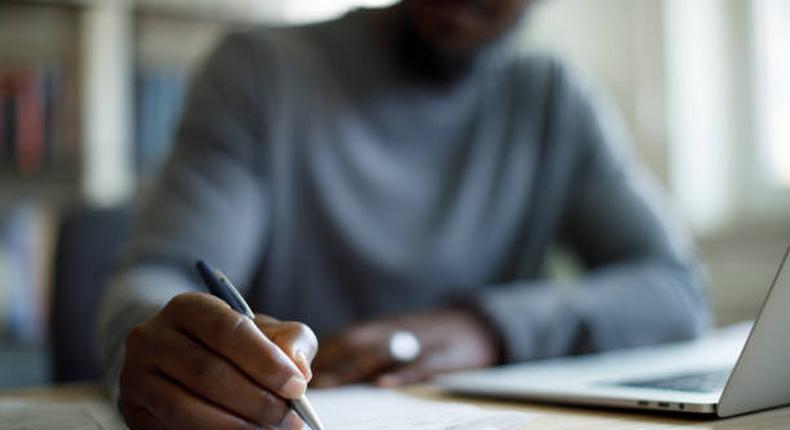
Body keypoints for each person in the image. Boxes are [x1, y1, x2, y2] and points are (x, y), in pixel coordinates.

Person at [98, 0, 711, 429]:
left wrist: (488, 328)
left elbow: (674, 288)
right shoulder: (261, 74)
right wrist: (162, 352)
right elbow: (160, 276)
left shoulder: (552, 100)